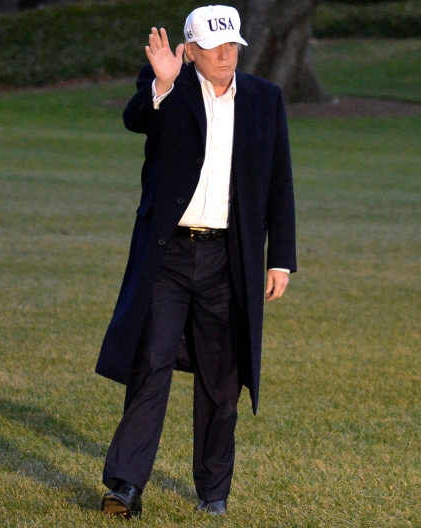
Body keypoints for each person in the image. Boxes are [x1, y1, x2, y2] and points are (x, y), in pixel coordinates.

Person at [95, 5, 297, 519]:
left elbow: (279, 182)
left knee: (221, 376)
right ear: (190, 49)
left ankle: (213, 490)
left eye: (233, 46)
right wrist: (163, 85)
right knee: (150, 364)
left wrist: (282, 261)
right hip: (169, 255)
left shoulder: (265, 99)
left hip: (230, 259)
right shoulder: (169, 85)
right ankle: (125, 486)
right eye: (215, 47)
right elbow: (134, 118)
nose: (227, 55)